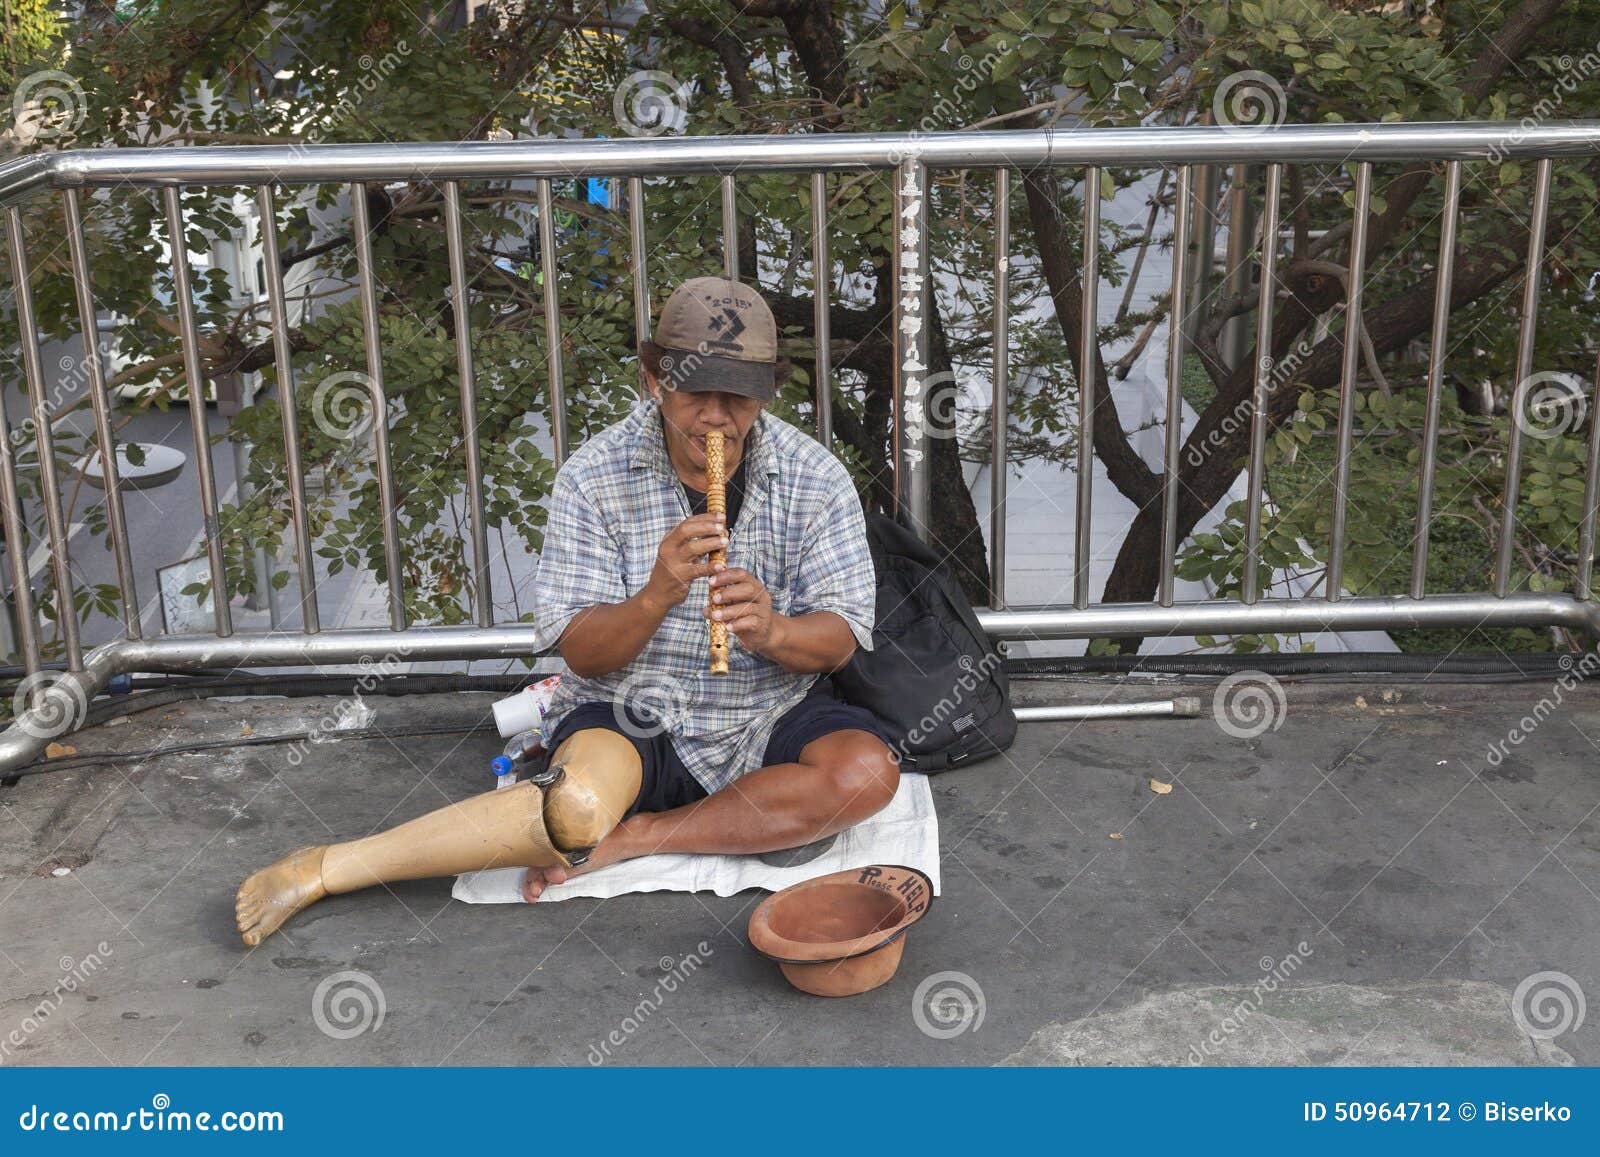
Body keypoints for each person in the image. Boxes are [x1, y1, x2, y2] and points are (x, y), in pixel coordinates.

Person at [234, 275, 897, 946]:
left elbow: (840, 640)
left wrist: (775, 630)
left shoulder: (815, 476)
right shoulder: (592, 476)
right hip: (633, 706)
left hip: (767, 707)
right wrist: (655, 595)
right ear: (654, 380)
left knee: (867, 773)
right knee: (575, 809)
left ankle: (639, 836)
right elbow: (581, 650)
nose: (718, 419)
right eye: (699, 394)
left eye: (741, 398)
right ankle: (326, 866)